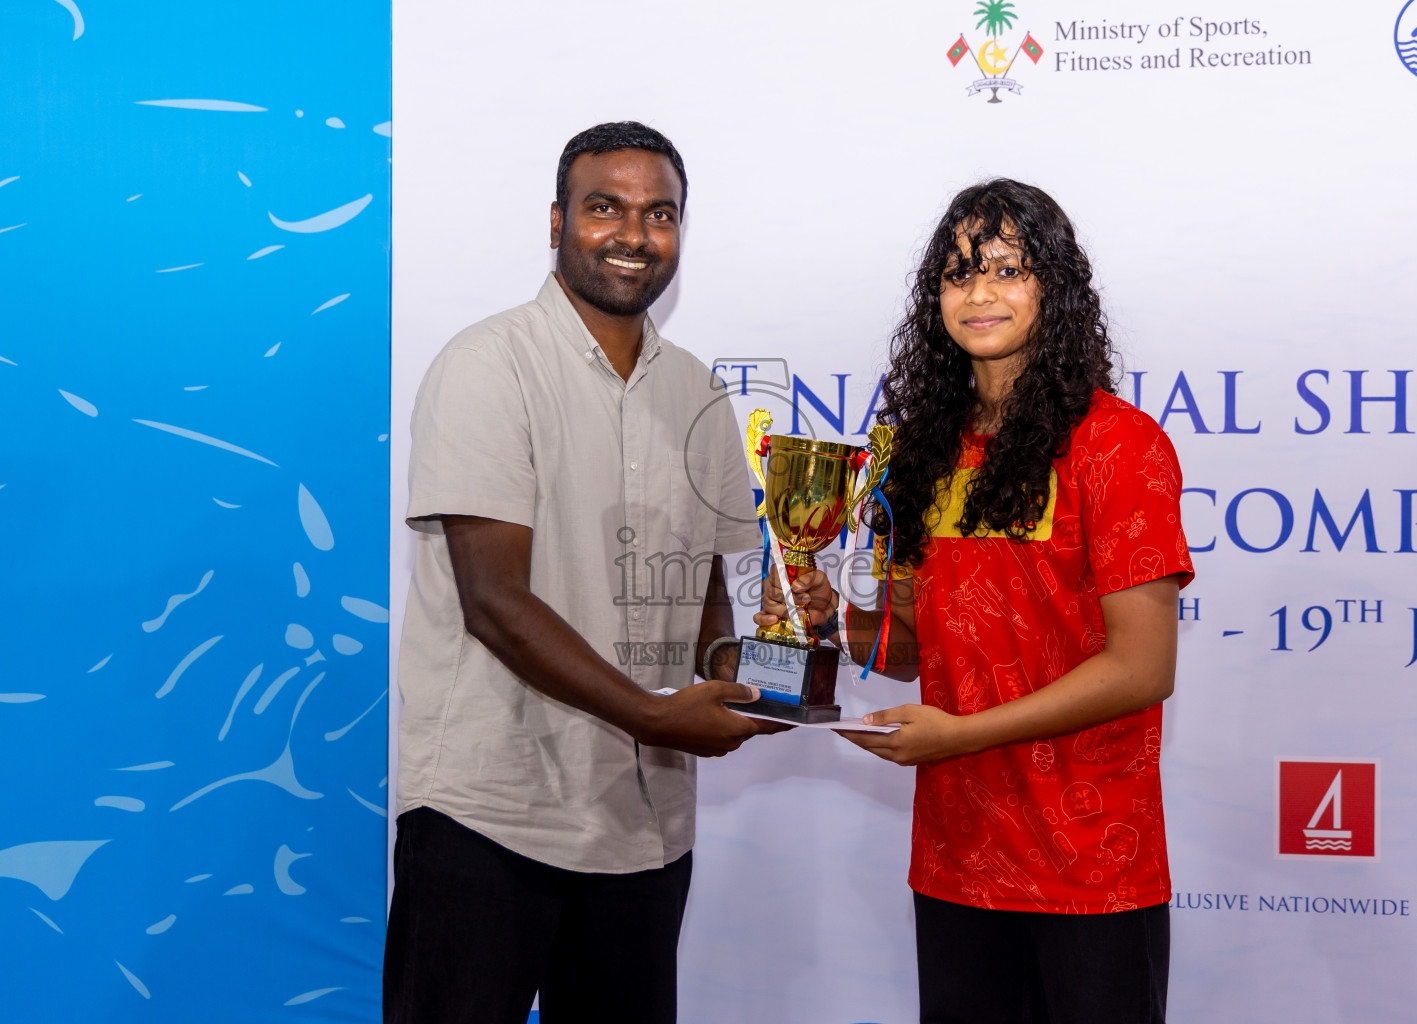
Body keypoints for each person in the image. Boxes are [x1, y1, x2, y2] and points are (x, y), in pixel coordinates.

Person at [758, 179, 1194, 1024]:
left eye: (1006, 269)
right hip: (959, 854)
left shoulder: (1116, 443)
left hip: (1090, 859)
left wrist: (960, 734)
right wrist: (830, 616)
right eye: (959, 275)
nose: (981, 293)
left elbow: (1143, 668)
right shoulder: (930, 449)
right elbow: (909, 648)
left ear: (1054, 288)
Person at [385, 121, 782, 1024]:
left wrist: (748, 677)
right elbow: (494, 601)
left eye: (660, 213)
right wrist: (652, 714)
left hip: (643, 830)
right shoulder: (489, 366)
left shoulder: (701, 395)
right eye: (605, 207)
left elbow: (706, 593)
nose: (633, 235)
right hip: (490, 814)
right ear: (558, 219)